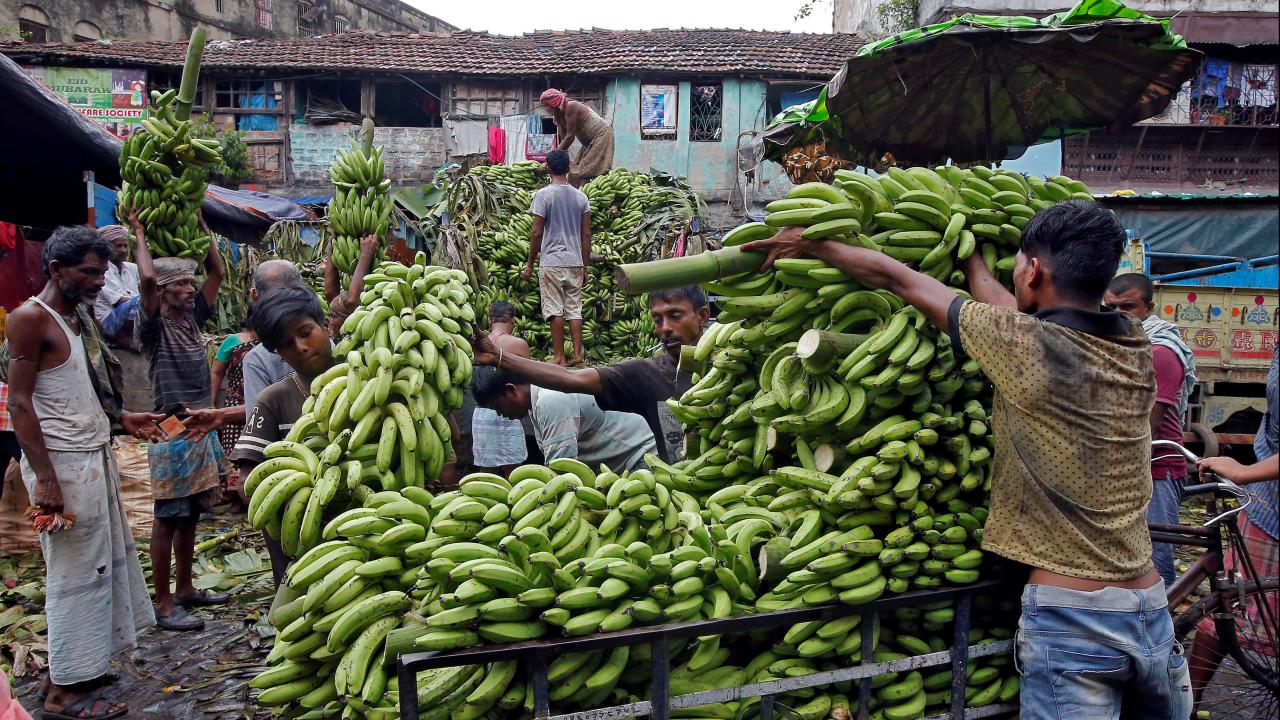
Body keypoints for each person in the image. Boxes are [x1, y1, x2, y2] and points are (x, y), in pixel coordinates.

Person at [744, 201, 1190, 719]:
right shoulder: (1134, 343)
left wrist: (812, 244)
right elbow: (1005, 313)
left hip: (1074, 620)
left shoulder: (1025, 347)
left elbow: (900, 280)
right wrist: (973, 261)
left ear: (1032, 270)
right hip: (1150, 608)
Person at [5, 225, 163, 720]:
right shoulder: (32, 319)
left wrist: (123, 420)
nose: (100, 282)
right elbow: (22, 403)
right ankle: (61, 693)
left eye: (103, 272)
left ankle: (85, 667)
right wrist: (46, 479)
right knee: (73, 577)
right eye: (90, 273)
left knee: (100, 569)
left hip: (92, 458)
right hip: (63, 469)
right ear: (57, 269)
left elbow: (78, 390)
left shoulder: (78, 320)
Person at [130, 211, 233, 631]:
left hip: (198, 426)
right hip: (170, 427)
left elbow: (219, 270)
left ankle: (187, 586)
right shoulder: (152, 324)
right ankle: (163, 600)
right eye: (181, 285)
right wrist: (139, 231)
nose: (190, 290)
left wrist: (202, 228)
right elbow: (147, 283)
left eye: (190, 284)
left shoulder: (193, 317)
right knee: (168, 515)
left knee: (190, 512)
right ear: (165, 291)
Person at [472, 286, 709, 463]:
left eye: (675, 316)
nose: (664, 328)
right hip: (677, 483)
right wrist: (498, 357)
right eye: (657, 320)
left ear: (703, 316)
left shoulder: (732, 362)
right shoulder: (647, 373)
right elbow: (570, 379)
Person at [1189, 347, 1278, 705]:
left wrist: (1242, 471)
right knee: (1228, 601)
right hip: (1267, 498)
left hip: (1263, 484)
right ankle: (1185, 700)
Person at [231, 287, 335, 586]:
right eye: (287, 344)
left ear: (326, 325)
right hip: (301, 539)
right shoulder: (273, 399)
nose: (300, 347)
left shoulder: (368, 382)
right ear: (277, 352)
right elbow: (247, 480)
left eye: (306, 333)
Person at [1105, 272, 1198, 587]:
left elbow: (1148, 424)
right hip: (1129, 466)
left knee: (1156, 563)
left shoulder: (1159, 351)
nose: (1117, 314)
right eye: (1110, 307)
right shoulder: (1118, 344)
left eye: (1127, 307)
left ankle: (1164, 630)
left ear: (1148, 308)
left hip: (1156, 468)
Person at [472, 366, 655, 474]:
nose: (500, 414)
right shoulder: (536, 401)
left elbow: (562, 470)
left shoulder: (550, 401)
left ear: (511, 390)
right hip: (618, 466)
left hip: (640, 458)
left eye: (498, 407)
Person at [526, 149, 591, 367]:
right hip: (574, 260)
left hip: (552, 261)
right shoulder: (581, 197)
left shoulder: (544, 195)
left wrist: (529, 266)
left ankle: (559, 357)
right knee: (574, 309)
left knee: (554, 309)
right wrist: (585, 266)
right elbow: (586, 234)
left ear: (549, 168)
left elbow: (536, 232)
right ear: (568, 167)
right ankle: (578, 356)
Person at [239, 260, 309, 421]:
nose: (299, 348)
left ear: (255, 295)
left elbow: (257, 421)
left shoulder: (257, 359)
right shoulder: (324, 341)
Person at [470, 301, 531, 474]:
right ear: (513, 321)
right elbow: (528, 378)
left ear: (490, 321)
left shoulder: (477, 345)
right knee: (513, 469)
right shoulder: (519, 344)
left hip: (481, 412)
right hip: (507, 408)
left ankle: (479, 499)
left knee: (486, 467)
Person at [209, 319, 258, 508]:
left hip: (260, 399)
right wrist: (212, 403)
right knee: (234, 451)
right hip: (236, 402)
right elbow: (216, 372)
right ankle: (235, 498)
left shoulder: (273, 341)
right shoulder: (233, 341)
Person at [540, 88, 615, 185]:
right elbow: (564, 139)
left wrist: (552, 157)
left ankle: (585, 194)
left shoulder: (571, 106)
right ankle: (574, 192)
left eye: (547, 105)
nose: (546, 108)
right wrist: (558, 158)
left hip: (601, 135)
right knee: (574, 169)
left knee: (585, 169)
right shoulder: (558, 115)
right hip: (588, 142)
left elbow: (570, 136)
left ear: (553, 102)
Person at [324, 233, 381, 337]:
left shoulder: (334, 327)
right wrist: (366, 255)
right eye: (333, 316)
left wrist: (332, 247)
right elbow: (352, 302)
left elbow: (329, 294)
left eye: (332, 315)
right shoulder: (346, 338)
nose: (330, 320)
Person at [91, 224, 140, 347]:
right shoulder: (102, 270)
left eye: (125, 246)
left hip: (131, 316)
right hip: (108, 322)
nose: (123, 250)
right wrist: (146, 302)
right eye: (118, 246)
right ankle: (123, 337)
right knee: (139, 302)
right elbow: (119, 301)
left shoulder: (132, 268)